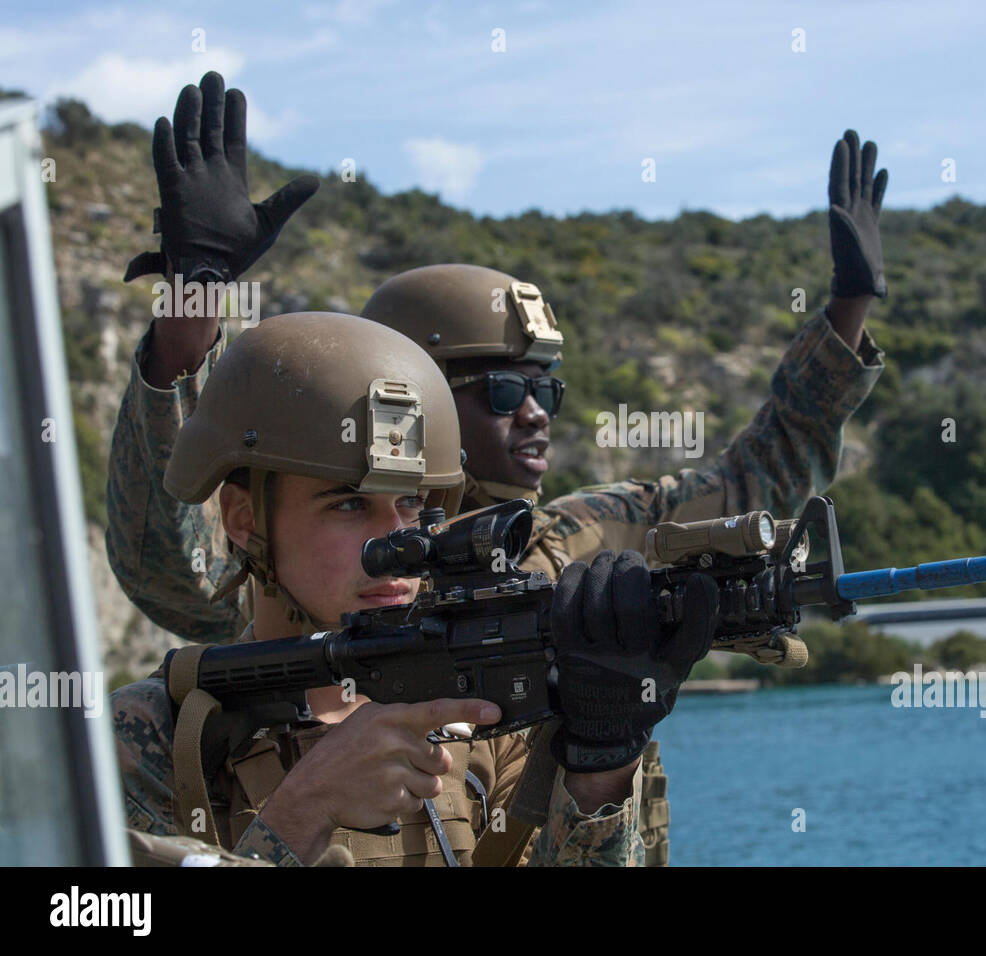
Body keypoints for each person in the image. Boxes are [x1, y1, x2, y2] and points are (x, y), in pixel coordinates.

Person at [107, 70, 889, 863]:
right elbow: (174, 550)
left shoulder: (566, 548)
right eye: (506, 387)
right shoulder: (180, 731)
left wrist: (601, 760)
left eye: (547, 386)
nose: (536, 410)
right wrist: (190, 311)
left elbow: (753, 484)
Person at [110, 309, 717, 866]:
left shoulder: (491, 720)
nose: (396, 546)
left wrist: (603, 769)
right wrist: (301, 815)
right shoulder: (159, 734)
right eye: (348, 505)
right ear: (243, 520)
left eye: (410, 504)